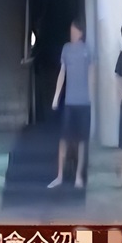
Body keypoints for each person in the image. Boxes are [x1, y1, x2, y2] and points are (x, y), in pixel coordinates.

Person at [48, 19, 94, 189]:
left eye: (74, 30)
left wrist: (91, 97)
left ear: (80, 32)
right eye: (70, 30)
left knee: (81, 141)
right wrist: (56, 96)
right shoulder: (66, 49)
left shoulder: (88, 50)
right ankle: (59, 176)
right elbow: (62, 73)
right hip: (69, 102)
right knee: (64, 139)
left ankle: (78, 177)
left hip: (84, 102)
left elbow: (92, 74)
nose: (71, 33)